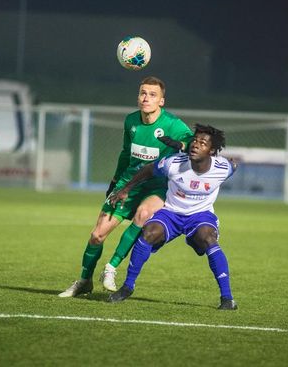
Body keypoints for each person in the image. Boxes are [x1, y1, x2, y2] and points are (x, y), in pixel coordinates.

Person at [58, 76, 193, 297]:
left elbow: (195, 142)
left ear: (161, 101)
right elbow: (125, 153)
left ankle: (111, 268)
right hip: (127, 183)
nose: (145, 98)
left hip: (156, 186)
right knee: (96, 236)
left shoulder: (173, 124)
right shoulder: (131, 121)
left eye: (152, 94)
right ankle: (84, 280)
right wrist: (114, 181)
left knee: (144, 213)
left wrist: (182, 144)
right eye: (142, 93)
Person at [107, 124, 238, 310]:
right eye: (195, 140)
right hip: (172, 213)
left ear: (212, 151)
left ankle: (227, 299)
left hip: (200, 215)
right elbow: (148, 170)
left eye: (203, 143)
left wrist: (234, 164)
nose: (195, 145)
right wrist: (125, 190)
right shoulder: (174, 163)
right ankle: (127, 287)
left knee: (207, 239)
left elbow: (233, 166)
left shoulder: (222, 168)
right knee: (149, 233)